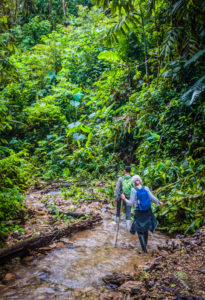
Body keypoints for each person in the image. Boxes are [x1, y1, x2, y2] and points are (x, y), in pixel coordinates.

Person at [121, 175, 163, 253]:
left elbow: (130, 203)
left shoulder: (134, 190)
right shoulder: (146, 188)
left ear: (134, 182)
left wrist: (124, 199)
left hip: (139, 212)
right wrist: (159, 202)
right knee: (146, 229)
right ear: (139, 180)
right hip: (147, 211)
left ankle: (144, 250)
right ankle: (145, 246)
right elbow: (152, 198)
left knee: (140, 230)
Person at [114, 166, 132, 230]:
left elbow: (117, 188)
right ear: (130, 171)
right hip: (128, 198)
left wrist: (115, 197)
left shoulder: (121, 178)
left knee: (118, 210)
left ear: (125, 171)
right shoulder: (132, 179)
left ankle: (116, 224)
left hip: (120, 196)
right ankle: (128, 227)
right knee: (128, 212)